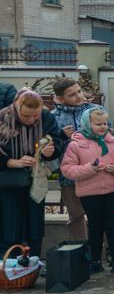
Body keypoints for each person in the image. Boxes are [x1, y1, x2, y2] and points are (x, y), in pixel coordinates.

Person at [60, 105, 114, 274]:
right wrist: (89, 169)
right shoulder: (76, 145)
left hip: (113, 191)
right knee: (94, 227)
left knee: (112, 225)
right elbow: (67, 169)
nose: (103, 127)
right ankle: (94, 261)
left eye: (105, 124)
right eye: (98, 124)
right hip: (90, 193)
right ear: (87, 124)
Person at [0, 88, 65, 256]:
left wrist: (50, 151)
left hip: (35, 178)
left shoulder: (46, 117)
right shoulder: (2, 118)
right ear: (16, 106)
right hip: (8, 181)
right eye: (26, 116)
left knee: (35, 223)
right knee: (10, 222)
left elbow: (56, 140)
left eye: (35, 116)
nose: (31, 120)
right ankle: (10, 264)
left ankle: (34, 261)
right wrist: (11, 162)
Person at [50, 77, 90, 242]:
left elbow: (110, 136)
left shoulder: (93, 111)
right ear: (60, 98)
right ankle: (81, 253)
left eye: (79, 91)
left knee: (100, 215)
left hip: (95, 172)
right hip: (69, 176)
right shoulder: (52, 117)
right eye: (72, 94)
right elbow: (47, 146)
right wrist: (61, 136)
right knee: (75, 215)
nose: (79, 96)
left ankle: (102, 253)